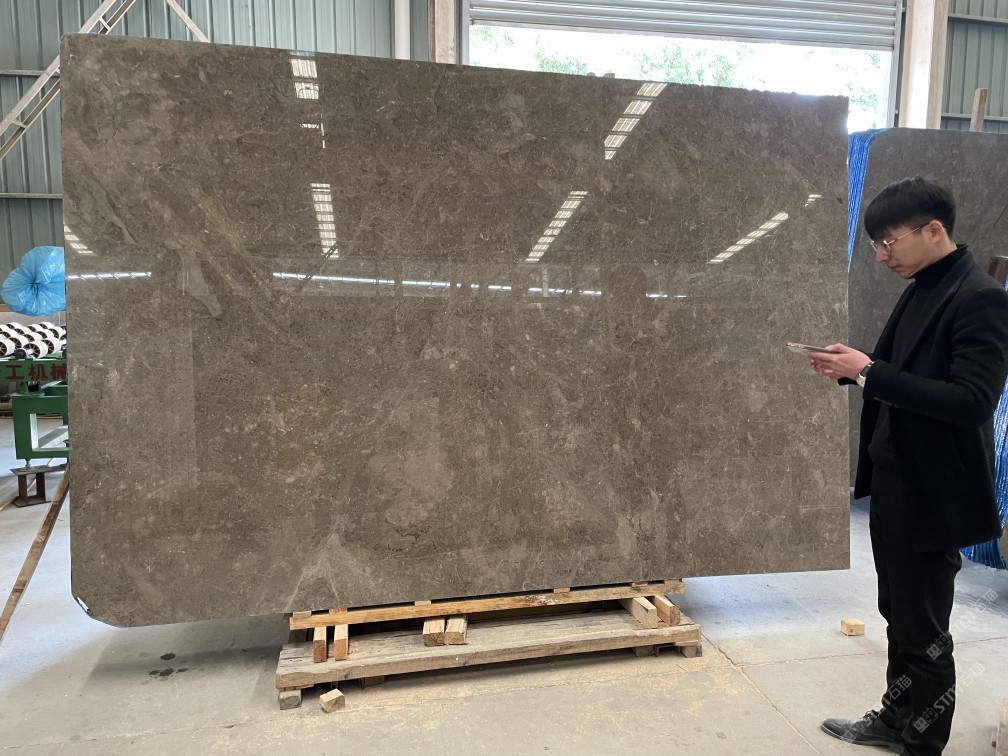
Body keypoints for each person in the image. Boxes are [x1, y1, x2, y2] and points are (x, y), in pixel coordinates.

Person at [808, 176, 1008, 756]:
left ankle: (924, 742)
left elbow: (971, 401)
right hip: (896, 482)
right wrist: (854, 370)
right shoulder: (924, 286)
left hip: (933, 491)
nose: (881, 256)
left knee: (924, 627)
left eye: (888, 242)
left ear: (934, 230)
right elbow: (906, 372)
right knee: (896, 610)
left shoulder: (979, 298)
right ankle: (897, 719)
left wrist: (870, 371)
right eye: (877, 244)